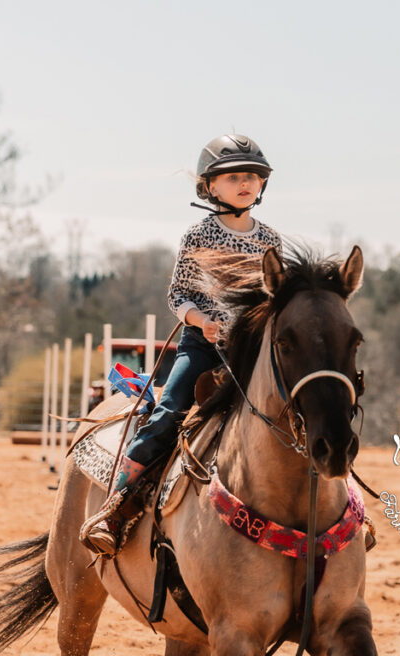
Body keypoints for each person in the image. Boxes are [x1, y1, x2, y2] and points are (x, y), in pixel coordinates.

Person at [79, 134, 282, 557]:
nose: (245, 183)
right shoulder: (200, 235)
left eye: (252, 176)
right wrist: (202, 320)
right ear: (211, 187)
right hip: (203, 345)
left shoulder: (271, 241)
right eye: (234, 177)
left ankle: (346, 508)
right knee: (170, 409)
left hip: (253, 351)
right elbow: (178, 295)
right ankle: (118, 505)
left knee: (301, 407)